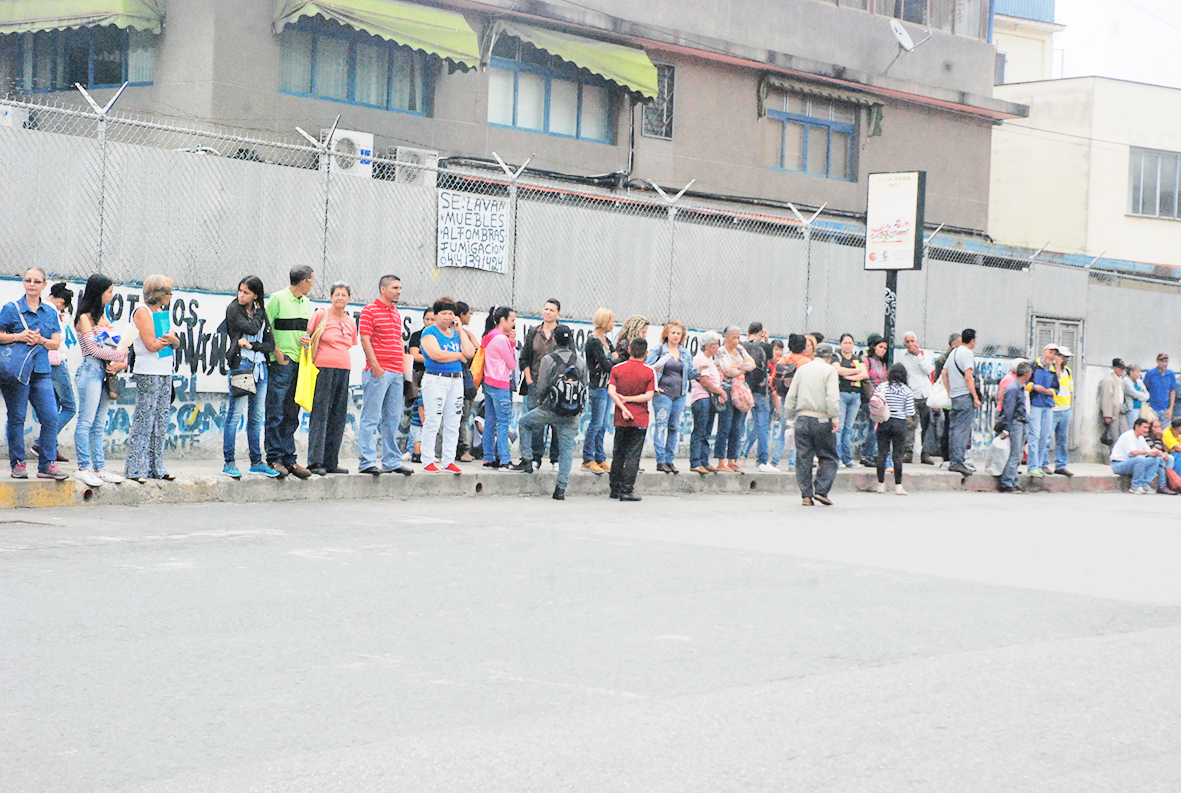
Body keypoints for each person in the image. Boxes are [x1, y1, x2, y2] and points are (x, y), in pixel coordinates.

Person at [0, 268, 67, 480]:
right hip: (17, 372)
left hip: (41, 370)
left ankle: (46, 464)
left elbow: (56, 342)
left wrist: (42, 341)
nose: (32, 284)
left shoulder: (49, 312)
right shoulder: (12, 309)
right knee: (17, 417)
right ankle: (18, 463)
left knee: (51, 416)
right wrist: (18, 336)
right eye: (28, 280)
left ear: (44, 285)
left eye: (37, 281)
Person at [510, 324, 588, 500]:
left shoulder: (549, 359)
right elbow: (584, 386)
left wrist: (542, 402)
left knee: (524, 423)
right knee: (566, 449)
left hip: (550, 409)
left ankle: (528, 460)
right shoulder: (580, 361)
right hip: (572, 412)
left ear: (554, 339)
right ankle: (560, 488)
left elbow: (542, 386)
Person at [221, 276, 279, 480]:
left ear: (255, 294)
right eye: (240, 291)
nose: (241, 295)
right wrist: (260, 314)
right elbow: (253, 329)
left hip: (260, 367)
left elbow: (270, 344)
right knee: (235, 414)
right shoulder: (234, 309)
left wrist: (253, 345)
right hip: (242, 365)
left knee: (256, 417)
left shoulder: (260, 311)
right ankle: (229, 462)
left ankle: (256, 462)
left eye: (246, 292)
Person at [125, 274, 180, 483]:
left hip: (165, 369)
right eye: (168, 293)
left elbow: (173, 340)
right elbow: (151, 344)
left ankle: (156, 466)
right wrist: (170, 340)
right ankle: (136, 467)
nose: (170, 296)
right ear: (159, 294)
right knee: (145, 418)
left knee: (161, 419)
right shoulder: (142, 311)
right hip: (148, 370)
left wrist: (171, 340)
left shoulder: (161, 313)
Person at [74, 275, 128, 487]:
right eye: (109, 292)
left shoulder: (104, 317)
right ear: (99, 293)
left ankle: (99, 467)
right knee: (85, 422)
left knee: (98, 425)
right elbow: (92, 349)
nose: (112, 296)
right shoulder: (84, 317)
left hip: (105, 373)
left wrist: (120, 362)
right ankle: (83, 467)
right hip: (90, 371)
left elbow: (121, 345)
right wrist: (119, 357)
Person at [357, 275, 412, 476]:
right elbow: (365, 339)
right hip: (378, 371)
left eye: (400, 287)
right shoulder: (370, 310)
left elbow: (398, 341)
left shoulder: (396, 313)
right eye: (395, 287)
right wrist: (375, 366)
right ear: (383, 289)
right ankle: (367, 461)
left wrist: (403, 370)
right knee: (371, 417)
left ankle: (391, 461)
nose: (398, 291)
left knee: (392, 418)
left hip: (396, 372)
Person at [264, 264, 314, 480]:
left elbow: (304, 331)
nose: (312, 285)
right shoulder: (278, 299)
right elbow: (265, 327)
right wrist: (277, 352)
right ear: (303, 281)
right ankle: (274, 457)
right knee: (276, 411)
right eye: (311, 281)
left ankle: (289, 458)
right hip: (281, 362)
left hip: (299, 362)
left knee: (292, 412)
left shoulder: (307, 304)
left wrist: (307, 339)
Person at [307, 282, 358, 476]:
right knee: (320, 413)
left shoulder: (350, 321)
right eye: (337, 294)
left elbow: (351, 343)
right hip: (322, 368)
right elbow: (309, 336)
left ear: (349, 299)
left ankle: (331, 461)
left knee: (338, 415)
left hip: (343, 369)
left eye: (344, 295)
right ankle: (315, 460)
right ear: (331, 297)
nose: (340, 298)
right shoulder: (321, 315)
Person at [419, 297, 475, 473]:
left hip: (455, 380)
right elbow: (436, 354)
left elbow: (470, 352)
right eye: (443, 313)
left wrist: (460, 330)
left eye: (451, 313)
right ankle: (428, 459)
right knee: (433, 420)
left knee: (453, 420)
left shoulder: (457, 334)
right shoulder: (430, 332)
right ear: (435, 315)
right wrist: (458, 356)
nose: (447, 317)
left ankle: (449, 459)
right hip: (436, 379)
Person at [783, 342, 841, 507]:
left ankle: (806, 496)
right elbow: (831, 398)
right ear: (829, 357)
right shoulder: (830, 370)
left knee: (803, 458)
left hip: (802, 418)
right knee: (828, 456)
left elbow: (791, 395)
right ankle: (821, 491)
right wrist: (835, 417)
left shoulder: (802, 369)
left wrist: (789, 416)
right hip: (822, 418)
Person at [608, 337, 656, 502]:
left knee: (619, 452)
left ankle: (614, 488)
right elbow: (649, 395)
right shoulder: (649, 372)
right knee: (633, 455)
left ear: (629, 350)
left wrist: (623, 405)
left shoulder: (617, 369)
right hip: (640, 417)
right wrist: (631, 399)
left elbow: (611, 392)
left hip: (621, 417)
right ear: (646, 353)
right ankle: (627, 490)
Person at [646, 320, 696, 474]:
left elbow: (690, 373)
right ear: (666, 334)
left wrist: (700, 372)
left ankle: (670, 459)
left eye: (678, 333)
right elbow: (648, 369)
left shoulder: (685, 353)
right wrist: (655, 387)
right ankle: (660, 460)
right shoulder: (659, 350)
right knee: (661, 425)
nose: (675, 336)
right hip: (663, 394)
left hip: (679, 394)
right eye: (673, 333)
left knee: (674, 427)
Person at [519, 299, 562, 471]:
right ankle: (536, 457)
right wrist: (529, 380)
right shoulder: (533, 332)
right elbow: (525, 359)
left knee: (556, 423)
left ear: (558, 314)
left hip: (557, 387)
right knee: (536, 422)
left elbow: (568, 358)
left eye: (551, 310)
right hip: (536, 383)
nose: (547, 312)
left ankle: (555, 459)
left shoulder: (562, 333)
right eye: (545, 309)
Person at [713, 325, 755, 473]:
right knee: (725, 426)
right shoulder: (721, 351)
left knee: (737, 427)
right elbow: (727, 370)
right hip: (726, 390)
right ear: (726, 337)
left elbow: (752, 364)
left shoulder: (741, 349)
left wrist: (738, 367)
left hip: (740, 391)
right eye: (733, 338)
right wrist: (742, 367)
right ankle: (720, 460)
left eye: (738, 337)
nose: (736, 341)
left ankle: (732, 459)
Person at [480, 305, 518, 470]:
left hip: (488, 382)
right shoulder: (501, 338)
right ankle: (504, 459)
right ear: (503, 320)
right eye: (512, 320)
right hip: (500, 383)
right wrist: (512, 343)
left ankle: (488, 457)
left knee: (490, 421)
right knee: (503, 422)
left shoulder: (488, 336)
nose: (514, 324)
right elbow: (512, 363)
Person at [42, 282, 76, 463]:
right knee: (69, 407)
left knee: (53, 408)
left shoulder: (41, 307)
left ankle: (50, 447)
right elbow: (58, 338)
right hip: (56, 362)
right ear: (61, 301)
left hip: (44, 363)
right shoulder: (51, 311)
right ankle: (43, 442)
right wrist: (64, 322)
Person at [581, 307, 616, 474]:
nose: (613, 324)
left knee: (603, 424)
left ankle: (600, 456)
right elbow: (605, 364)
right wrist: (609, 361)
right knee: (596, 423)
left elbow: (616, 360)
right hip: (598, 386)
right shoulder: (593, 341)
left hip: (608, 386)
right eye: (611, 321)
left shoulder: (607, 341)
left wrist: (609, 361)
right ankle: (588, 457)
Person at [872, 362, 915, 495]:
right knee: (897, 455)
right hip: (899, 424)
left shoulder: (882, 387)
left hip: (884, 422)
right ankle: (898, 486)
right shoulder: (906, 391)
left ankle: (881, 485)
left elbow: (875, 402)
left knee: (882, 454)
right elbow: (910, 412)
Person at [942, 328, 980, 476]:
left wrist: (949, 390)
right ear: (972, 340)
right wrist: (975, 397)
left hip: (955, 396)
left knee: (953, 429)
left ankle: (953, 459)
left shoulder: (953, 352)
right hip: (964, 396)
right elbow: (968, 377)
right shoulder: (967, 353)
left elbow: (944, 373)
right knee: (962, 431)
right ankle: (957, 462)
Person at [738, 322, 775, 471]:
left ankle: (736, 458)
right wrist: (766, 340)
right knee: (762, 426)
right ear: (761, 332)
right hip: (760, 389)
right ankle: (762, 461)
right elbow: (772, 362)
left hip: (743, 389)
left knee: (739, 424)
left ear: (748, 332)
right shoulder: (766, 346)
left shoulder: (741, 345)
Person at [771, 333, 811, 470]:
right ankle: (792, 463)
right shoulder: (806, 362)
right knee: (797, 433)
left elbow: (773, 381)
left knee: (783, 430)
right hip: (800, 401)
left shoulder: (783, 360)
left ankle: (775, 461)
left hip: (785, 399)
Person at [689, 330, 725, 474]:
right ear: (707, 346)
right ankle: (695, 461)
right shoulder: (701, 359)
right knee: (700, 430)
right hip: (702, 398)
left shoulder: (710, 360)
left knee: (706, 431)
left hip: (709, 399)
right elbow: (705, 382)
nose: (717, 347)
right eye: (715, 344)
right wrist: (720, 391)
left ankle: (704, 460)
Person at [996, 361, 1033, 493]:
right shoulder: (1013, 389)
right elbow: (1008, 410)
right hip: (1016, 423)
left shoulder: (1020, 387)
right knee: (1015, 453)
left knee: (1018, 453)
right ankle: (1007, 482)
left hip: (1022, 422)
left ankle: (1013, 480)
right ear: (1027, 374)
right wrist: (1006, 428)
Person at [898, 331, 934, 465]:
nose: (910, 344)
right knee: (910, 425)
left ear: (917, 342)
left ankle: (926, 453)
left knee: (928, 425)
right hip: (911, 395)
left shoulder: (925, 355)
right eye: (907, 341)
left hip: (925, 394)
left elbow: (929, 370)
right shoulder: (902, 357)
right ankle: (908, 452)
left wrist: (918, 355)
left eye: (912, 341)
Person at [1026, 343, 1060, 478]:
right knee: (1034, 435)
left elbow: (1056, 387)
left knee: (1045, 436)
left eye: (1055, 353)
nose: (1052, 355)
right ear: (1045, 351)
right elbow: (1024, 382)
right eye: (1050, 352)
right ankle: (1032, 466)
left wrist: (1050, 391)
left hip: (1048, 405)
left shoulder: (1052, 370)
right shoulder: (1034, 365)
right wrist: (1034, 387)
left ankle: (1039, 465)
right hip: (1035, 404)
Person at [834, 333, 867, 468]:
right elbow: (837, 370)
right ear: (840, 344)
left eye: (850, 343)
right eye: (845, 343)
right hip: (842, 394)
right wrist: (855, 372)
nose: (848, 345)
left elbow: (864, 374)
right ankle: (837, 458)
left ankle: (847, 459)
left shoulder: (857, 358)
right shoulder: (837, 356)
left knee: (848, 428)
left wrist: (848, 376)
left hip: (855, 396)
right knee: (839, 428)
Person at [1111, 418, 1166, 495]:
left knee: (1156, 459)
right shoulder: (1128, 436)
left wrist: (1158, 453)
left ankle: (1144, 483)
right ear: (1137, 427)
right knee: (1140, 459)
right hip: (1119, 464)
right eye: (1144, 427)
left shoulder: (1140, 438)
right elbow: (1134, 453)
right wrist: (1149, 452)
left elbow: (1149, 452)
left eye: (1147, 428)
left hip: (1133, 463)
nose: (1147, 430)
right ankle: (1135, 486)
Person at [929, 332, 961, 465]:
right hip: (948, 396)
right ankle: (947, 456)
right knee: (948, 426)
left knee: (954, 427)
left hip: (957, 395)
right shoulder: (943, 360)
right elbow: (938, 380)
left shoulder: (958, 357)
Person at [455, 301, 480, 463]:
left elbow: (477, 351)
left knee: (463, 417)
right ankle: (462, 449)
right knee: (459, 417)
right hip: (458, 376)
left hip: (467, 378)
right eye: (469, 313)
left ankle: (463, 449)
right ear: (462, 315)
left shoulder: (467, 334)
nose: (470, 316)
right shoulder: (456, 334)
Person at [859, 334, 889, 467]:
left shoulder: (882, 364)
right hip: (870, 398)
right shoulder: (866, 361)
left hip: (881, 399)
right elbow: (865, 378)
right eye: (880, 347)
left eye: (885, 348)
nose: (882, 350)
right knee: (874, 426)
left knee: (878, 427)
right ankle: (867, 455)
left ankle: (874, 453)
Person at [1050, 345, 1075, 477]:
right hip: (1053, 409)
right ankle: (1043, 463)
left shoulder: (1069, 372)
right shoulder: (1052, 370)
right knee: (1047, 437)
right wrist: (1058, 366)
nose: (1065, 359)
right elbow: (1056, 381)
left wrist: (1069, 406)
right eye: (1063, 357)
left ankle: (1061, 465)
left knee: (1062, 440)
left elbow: (1070, 390)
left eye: (1066, 357)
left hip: (1065, 409)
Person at [1146, 419, 1176, 494]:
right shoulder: (1146, 437)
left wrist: (1165, 452)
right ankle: (1162, 485)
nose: (1158, 429)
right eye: (1155, 427)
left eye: (1159, 426)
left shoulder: (1161, 436)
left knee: (1170, 458)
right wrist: (1158, 438)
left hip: (1159, 456)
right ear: (1150, 428)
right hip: (1149, 457)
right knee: (1161, 460)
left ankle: (1171, 483)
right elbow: (1155, 449)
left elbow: (1164, 448)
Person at [1144, 353, 1177, 423]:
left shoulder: (1171, 374)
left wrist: (1171, 409)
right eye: (1162, 361)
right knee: (1153, 431)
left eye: (1166, 361)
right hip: (1152, 408)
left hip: (1165, 409)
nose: (1164, 364)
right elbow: (1144, 389)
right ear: (1157, 362)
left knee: (1165, 432)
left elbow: (1172, 391)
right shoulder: (1150, 374)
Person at [1100, 359, 1127, 441]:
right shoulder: (1109, 380)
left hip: (1121, 410)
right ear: (1114, 368)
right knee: (1114, 435)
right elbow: (1106, 398)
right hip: (1113, 412)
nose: (1122, 371)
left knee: (1124, 432)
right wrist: (1108, 414)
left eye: (1123, 369)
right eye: (1120, 368)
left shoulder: (1121, 380)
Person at [1123, 364, 1150, 429]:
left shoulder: (1139, 381)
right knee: (1132, 428)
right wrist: (1141, 396)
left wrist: (1140, 397)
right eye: (1137, 372)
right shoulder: (1126, 381)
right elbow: (1133, 393)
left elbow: (1147, 394)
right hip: (1132, 408)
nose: (1139, 374)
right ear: (1131, 372)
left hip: (1140, 407)